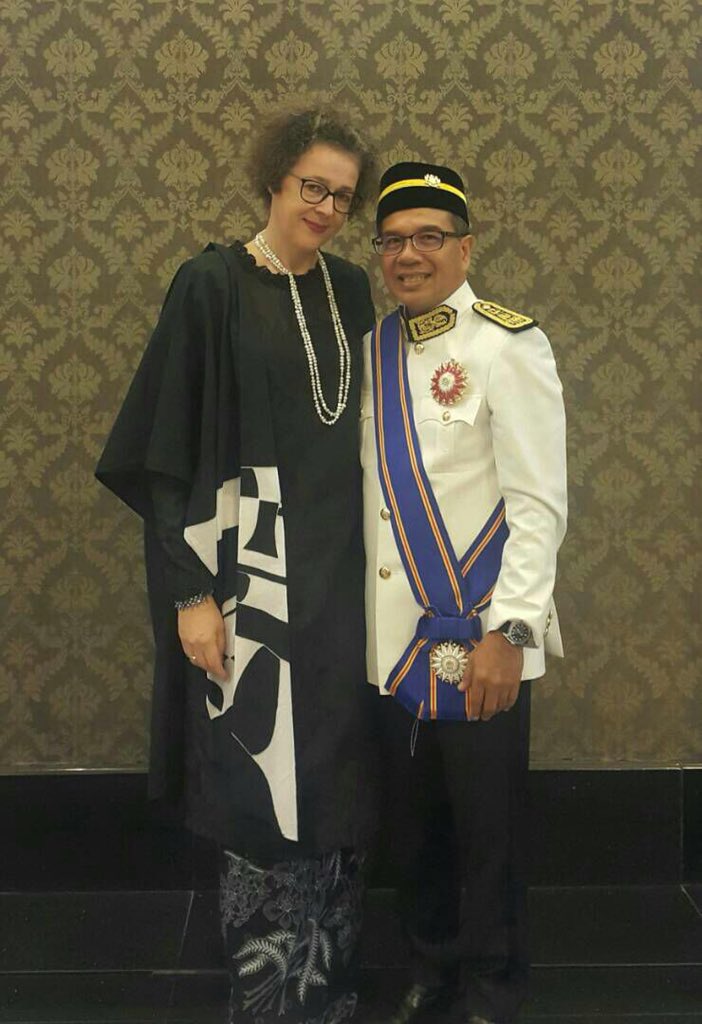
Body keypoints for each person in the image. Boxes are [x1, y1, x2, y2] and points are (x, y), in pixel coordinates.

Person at [96, 108, 378, 1024]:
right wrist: (191, 593)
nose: (327, 207)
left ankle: (326, 989)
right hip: (250, 579)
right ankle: (267, 996)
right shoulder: (210, 285)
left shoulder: (351, 290)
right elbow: (163, 457)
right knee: (260, 779)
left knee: (336, 779)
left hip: (341, 583)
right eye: (313, 187)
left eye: (343, 196)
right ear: (274, 180)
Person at [360, 162, 567, 1024]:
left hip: (482, 636)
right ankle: (431, 965)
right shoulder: (372, 350)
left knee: (489, 831)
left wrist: (511, 633)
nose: (409, 255)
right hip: (393, 641)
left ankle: (490, 986)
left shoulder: (508, 346)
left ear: (465, 247)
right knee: (414, 830)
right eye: (393, 240)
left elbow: (538, 505)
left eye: (429, 237)